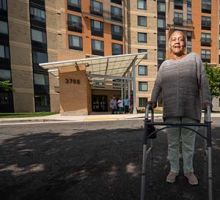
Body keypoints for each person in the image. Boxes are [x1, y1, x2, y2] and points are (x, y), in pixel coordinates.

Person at [150, 30, 211, 185]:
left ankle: (189, 171)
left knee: (188, 144)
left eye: (180, 39)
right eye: (173, 39)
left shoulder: (194, 59)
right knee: (173, 144)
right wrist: (152, 100)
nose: (177, 42)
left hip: (190, 109)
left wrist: (206, 100)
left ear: (185, 43)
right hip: (171, 110)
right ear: (170, 44)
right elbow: (158, 84)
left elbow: (203, 80)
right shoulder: (165, 65)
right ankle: (174, 170)